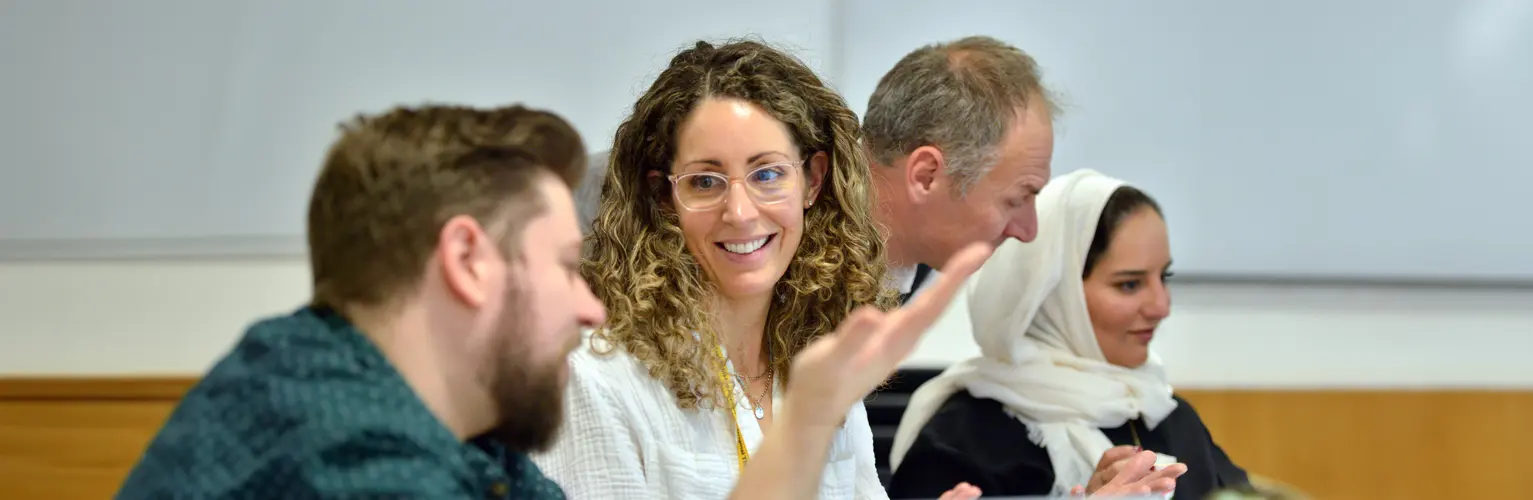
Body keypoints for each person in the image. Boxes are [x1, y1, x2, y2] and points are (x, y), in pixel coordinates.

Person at [110, 101, 999, 500]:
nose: (588, 307)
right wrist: (805, 421)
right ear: (468, 260)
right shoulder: (342, 451)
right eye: (564, 266)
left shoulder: (442, 435)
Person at [530, 39, 981, 500]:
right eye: (705, 181)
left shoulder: (812, 363)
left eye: (767, 174)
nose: (740, 213)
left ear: (813, 180)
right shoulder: (594, 378)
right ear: (664, 197)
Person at [887, 169, 1246, 499]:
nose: (1160, 306)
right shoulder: (960, 442)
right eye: (1130, 284)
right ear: (1051, 294)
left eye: (1163, 277)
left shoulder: (1163, 412)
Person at [861, 35, 1058, 302]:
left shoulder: (923, 249)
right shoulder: (789, 253)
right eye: (1015, 200)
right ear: (925, 176)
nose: (1028, 231)